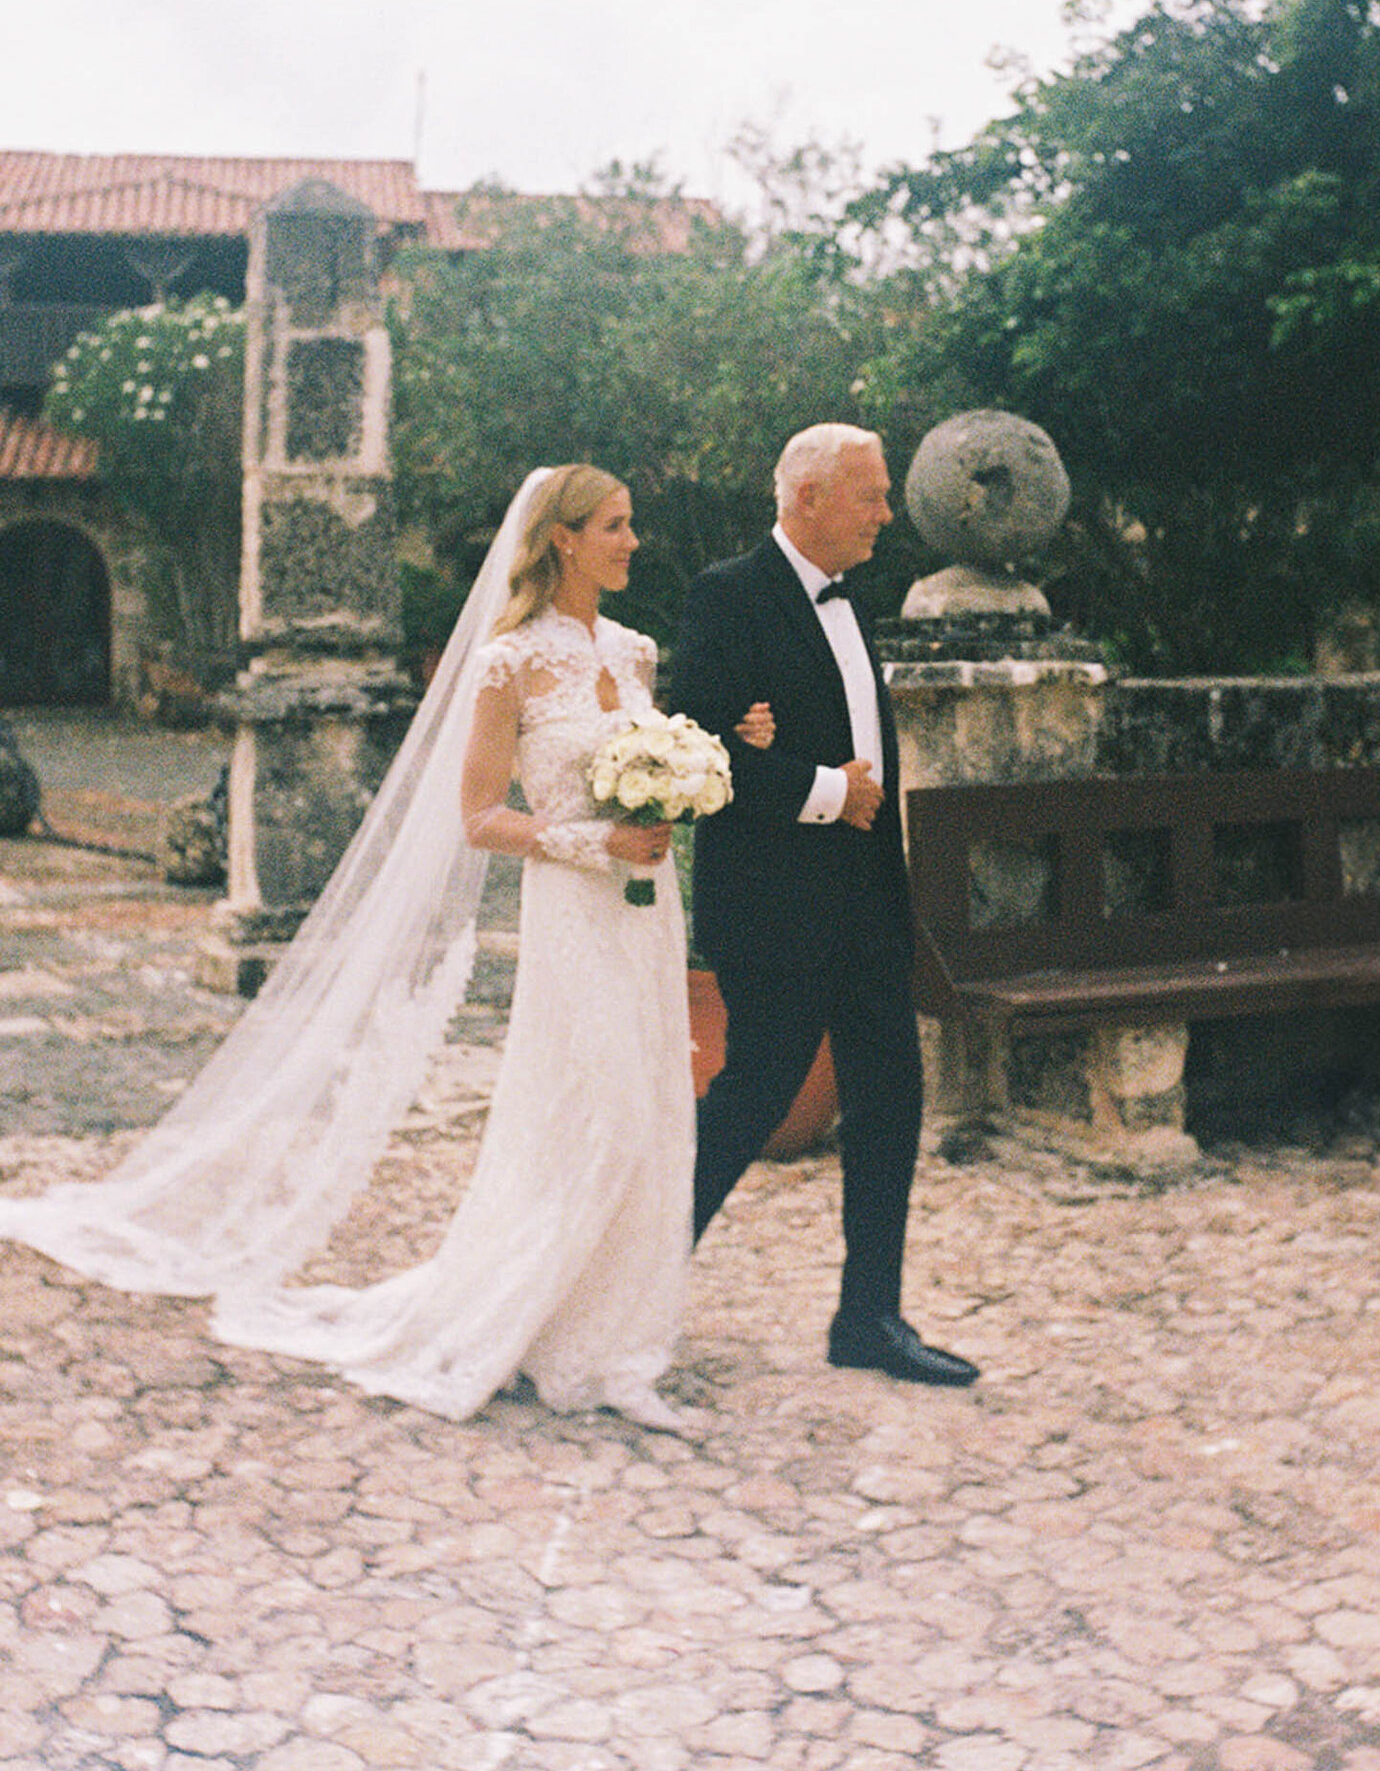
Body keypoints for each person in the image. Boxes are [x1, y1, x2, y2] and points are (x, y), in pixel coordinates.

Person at [0, 465, 766, 1432]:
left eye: (631, 524)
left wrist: (697, 775)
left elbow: (650, 773)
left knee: (654, 1109)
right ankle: (538, 1331)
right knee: (596, 1111)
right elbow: (481, 816)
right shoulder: (510, 663)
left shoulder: (637, 650)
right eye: (615, 526)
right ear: (563, 539)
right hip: (573, 910)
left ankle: (614, 1340)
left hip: (647, 915)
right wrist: (591, 842)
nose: (633, 541)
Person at [671, 423, 979, 1387]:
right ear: (807, 498)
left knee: (892, 1099)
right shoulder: (725, 596)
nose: (890, 513)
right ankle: (627, 1287)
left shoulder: (858, 601)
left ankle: (869, 1319)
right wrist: (823, 791)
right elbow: (700, 757)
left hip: (865, 907)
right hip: (773, 907)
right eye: (872, 495)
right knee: (750, 1099)